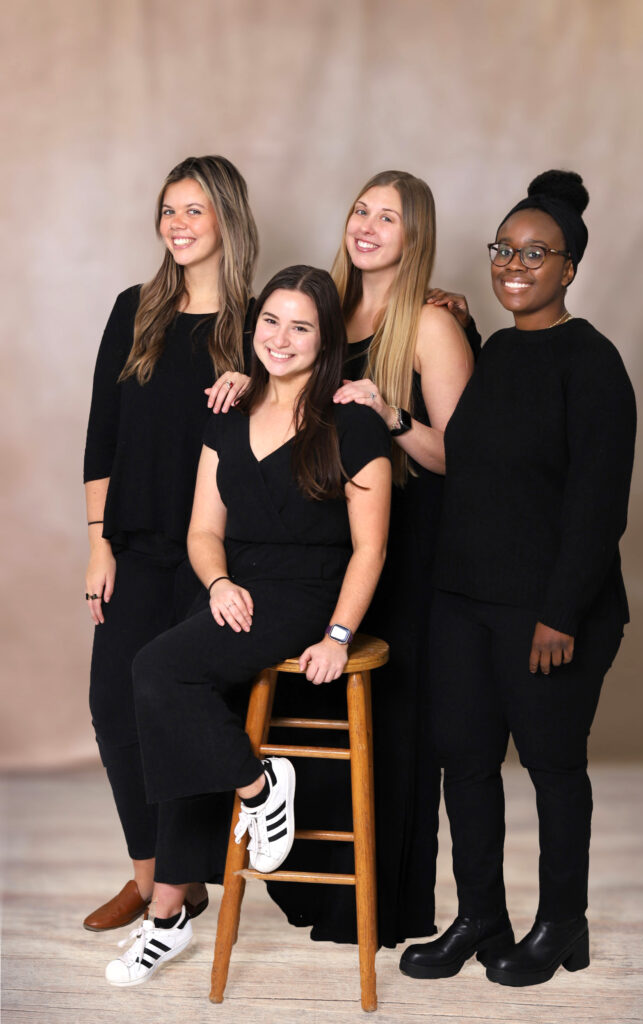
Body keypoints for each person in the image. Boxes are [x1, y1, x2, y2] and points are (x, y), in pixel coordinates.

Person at [102, 265, 392, 986]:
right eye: (271, 321)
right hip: (236, 589)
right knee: (164, 693)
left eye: (301, 326)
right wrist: (220, 581)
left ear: (325, 340)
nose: (280, 338)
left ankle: (250, 799)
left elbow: (370, 547)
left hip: (304, 594)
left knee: (156, 671)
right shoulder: (227, 412)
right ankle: (181, 896)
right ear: (253, 326)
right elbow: (204, 530)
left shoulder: (350, 420)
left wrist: (337, 634)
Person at [400, 170, 637, 986]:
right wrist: (454, 332)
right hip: (463, 600)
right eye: (504, 249)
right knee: (463, 762)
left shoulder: (593, 364)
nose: (514, 264)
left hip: (546, 609)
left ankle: (559, 925)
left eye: (536, 254)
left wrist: (560, 613)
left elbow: (597, 507)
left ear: (569, 268)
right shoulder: (497, 349)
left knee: (550, 766)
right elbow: (467, 457)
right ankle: (479, 917)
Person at [240, 170, 476, 947]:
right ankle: (317, 894)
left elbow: (461, 458)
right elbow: (285, 390)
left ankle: (383, 908)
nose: (368, 226)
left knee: (392, 725)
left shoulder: (432, 325)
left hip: (406, 550)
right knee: (308, 713)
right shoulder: (324, 313)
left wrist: (390, 411)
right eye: (360, 210)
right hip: (326, 547)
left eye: (390, 217)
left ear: (416, 237)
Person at [82, 155, 257, 932]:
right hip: (137, 543)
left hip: (218, 553)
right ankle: (155, 876)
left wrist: (257, 385)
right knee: (113, 708)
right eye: (168, 210)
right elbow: (102, 437)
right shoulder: (135, 309)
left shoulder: (259, 323)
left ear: (227, 218)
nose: (177, 225)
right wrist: (98, 544)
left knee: (182, 708)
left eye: (194, 210)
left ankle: (172, 893)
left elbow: (308, 400)